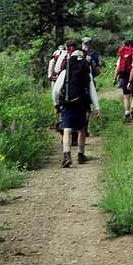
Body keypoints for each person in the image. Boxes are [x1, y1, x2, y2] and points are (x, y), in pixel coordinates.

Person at [53, 39, 100, 168]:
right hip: (81, 103)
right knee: (81, 129)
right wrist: (96, 107)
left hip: (67, 103)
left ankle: (67, 155)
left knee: (67, 129)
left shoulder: (65, 71)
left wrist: (56, 103)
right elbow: (92, 90)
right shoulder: (86, 71)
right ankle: (80, 154)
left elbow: (56, 90)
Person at [113, 39, 133, 122]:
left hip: (123, 75)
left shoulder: (122, 55)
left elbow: (117, 68)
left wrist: (114, 78)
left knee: (126, 96)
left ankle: (127, 113)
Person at [48, 45, 65, 122]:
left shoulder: (54, 57)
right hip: (64, 79)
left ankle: (56, 121)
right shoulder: (65, 55)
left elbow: (50, 73)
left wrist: (52, 76)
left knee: (55, 102)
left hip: (55, 81)